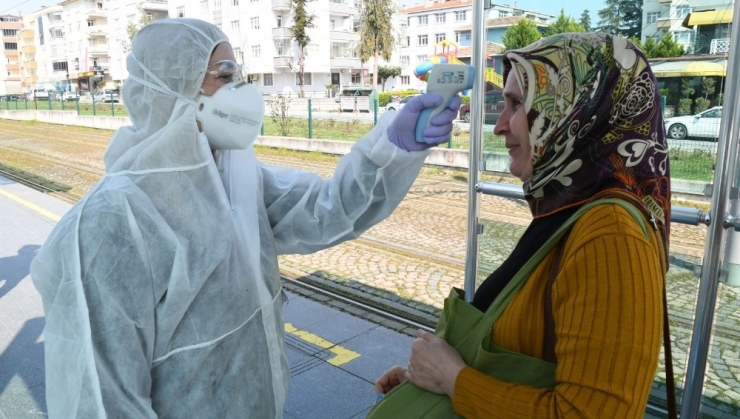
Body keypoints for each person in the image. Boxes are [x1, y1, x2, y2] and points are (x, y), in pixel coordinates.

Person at [30, 18, 460, 418]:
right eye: (225, 75)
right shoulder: (111, 221)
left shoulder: (233, 177)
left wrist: (394, 146)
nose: (240, 90)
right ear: (173, 88)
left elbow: (325, 209)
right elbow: (96, 399)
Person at [374, 33, 671, 418]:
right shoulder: (570, 208)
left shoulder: (611, 236)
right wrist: (428, 381)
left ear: (576, 110)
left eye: (517, 104)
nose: (500, 126)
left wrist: (454, 379)